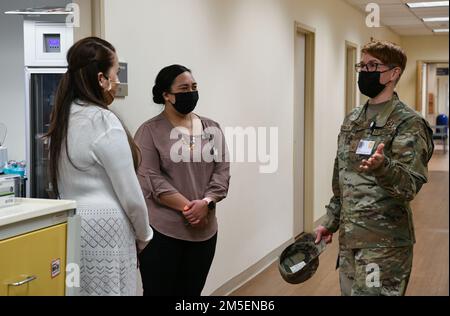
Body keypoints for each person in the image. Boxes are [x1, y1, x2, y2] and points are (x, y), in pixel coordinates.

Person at [315, 40, 434, 296]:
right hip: (350, 241)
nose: (365, 71)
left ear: (394, 73)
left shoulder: (408, 123)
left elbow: (409, 186)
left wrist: (383, 167)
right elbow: (343, 181)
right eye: (363, 65)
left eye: (373, 65)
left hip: (385, 246)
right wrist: (331, 221)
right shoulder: (353, 119)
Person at [46, 37, 153, 296]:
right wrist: (144, 234)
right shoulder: (103, 121)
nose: (117, 82)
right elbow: (131, 196)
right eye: (116, 74)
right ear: (102, 79)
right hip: (108, 230)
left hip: (73, 227)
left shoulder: (62, 119)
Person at [135, 64, 230, 296]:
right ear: (166, 95)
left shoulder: (212, 128)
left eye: (194, 87)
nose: (191, 92)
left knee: (191, 295)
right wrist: (190, 208)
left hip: (204, 233)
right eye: (184, 88)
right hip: (162, 234)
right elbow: (150, 179)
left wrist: (206, 203)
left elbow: (222, 171)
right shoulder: (149, 131)